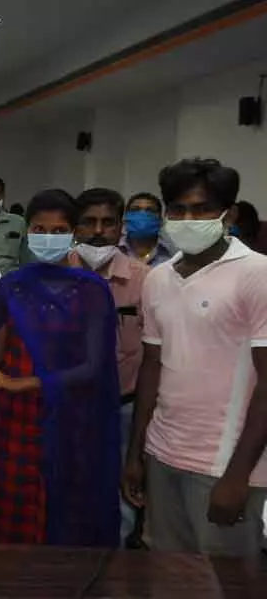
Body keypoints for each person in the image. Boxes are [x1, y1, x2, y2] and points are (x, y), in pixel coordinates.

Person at [123, 158, 267, 557]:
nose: (188, 219)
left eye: (201, 209)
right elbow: (152, 369)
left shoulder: (257, 274)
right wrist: (136, 455)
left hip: (226, 466)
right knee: (170, 578)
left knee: (227, 582)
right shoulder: (158, 278)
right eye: (178, 209)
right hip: (163, 456)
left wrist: (237, 476)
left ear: (229, 214)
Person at [0, 189, 120, 547]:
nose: (49, 237)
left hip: (69, 424)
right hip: (11, 424)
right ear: (27, 232)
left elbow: (92, 367)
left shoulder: (93, 290)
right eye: (40, 229)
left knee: (64, 517)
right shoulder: (12, 286)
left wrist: (21, 383)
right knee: (10, 522)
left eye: (58, 230)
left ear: (73, 233)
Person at [73, 188, 151, 547]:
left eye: (107, 222)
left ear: (120, 227)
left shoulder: (145, 280)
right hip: (68, 408)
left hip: (124, 407)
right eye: (89, 222)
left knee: (121, 504)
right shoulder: (55, 274)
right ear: (75, 228)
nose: (98, 231)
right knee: (68, 493)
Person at [121, 192, 174, 266]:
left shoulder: (173, 253)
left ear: (161, 220)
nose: (142, 214)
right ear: (125, 219)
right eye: (135, 210)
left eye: (150, 210)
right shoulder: (113, 251)